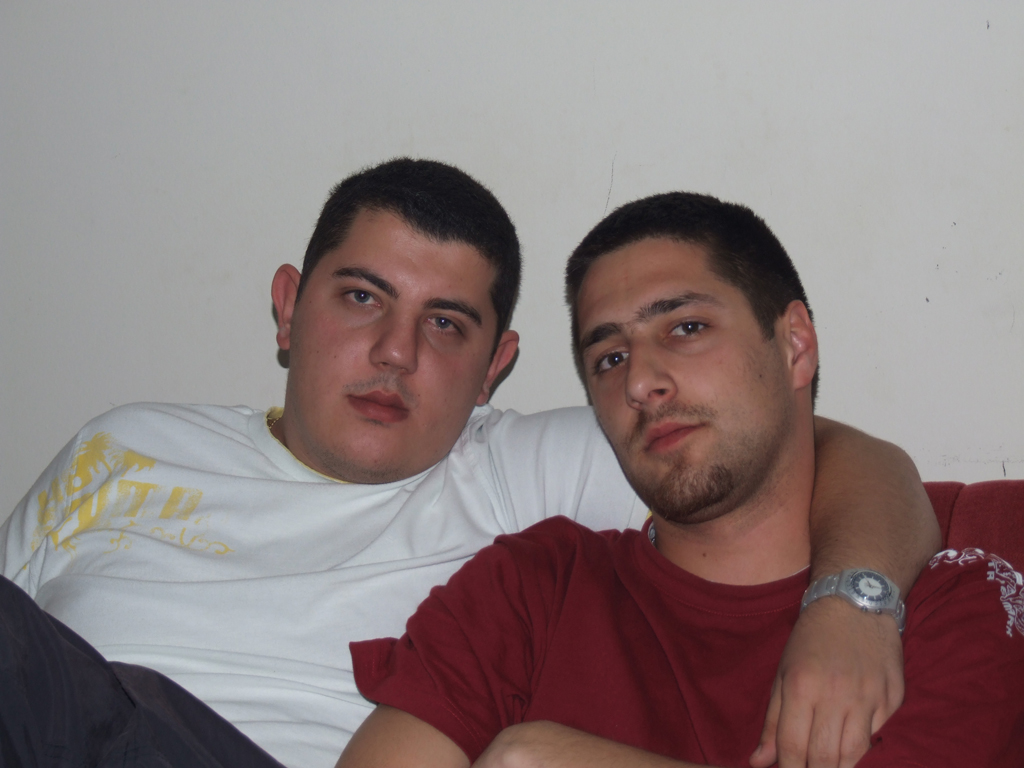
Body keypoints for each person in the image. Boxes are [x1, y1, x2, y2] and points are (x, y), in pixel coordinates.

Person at [1, 161, 939, 768]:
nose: (395, 352)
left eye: (446, 324)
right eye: (361, 297)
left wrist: (852, 604)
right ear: (288, 307)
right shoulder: (123, 445)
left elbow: (816, 449)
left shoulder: (517, 470)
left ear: (496, 367)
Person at [341, 191, 1024, 768]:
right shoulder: (533, 586)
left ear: (795, 345)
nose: (641, 381)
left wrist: (547, 757)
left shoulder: (956, 606)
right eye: (609, 358)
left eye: (686, 327)